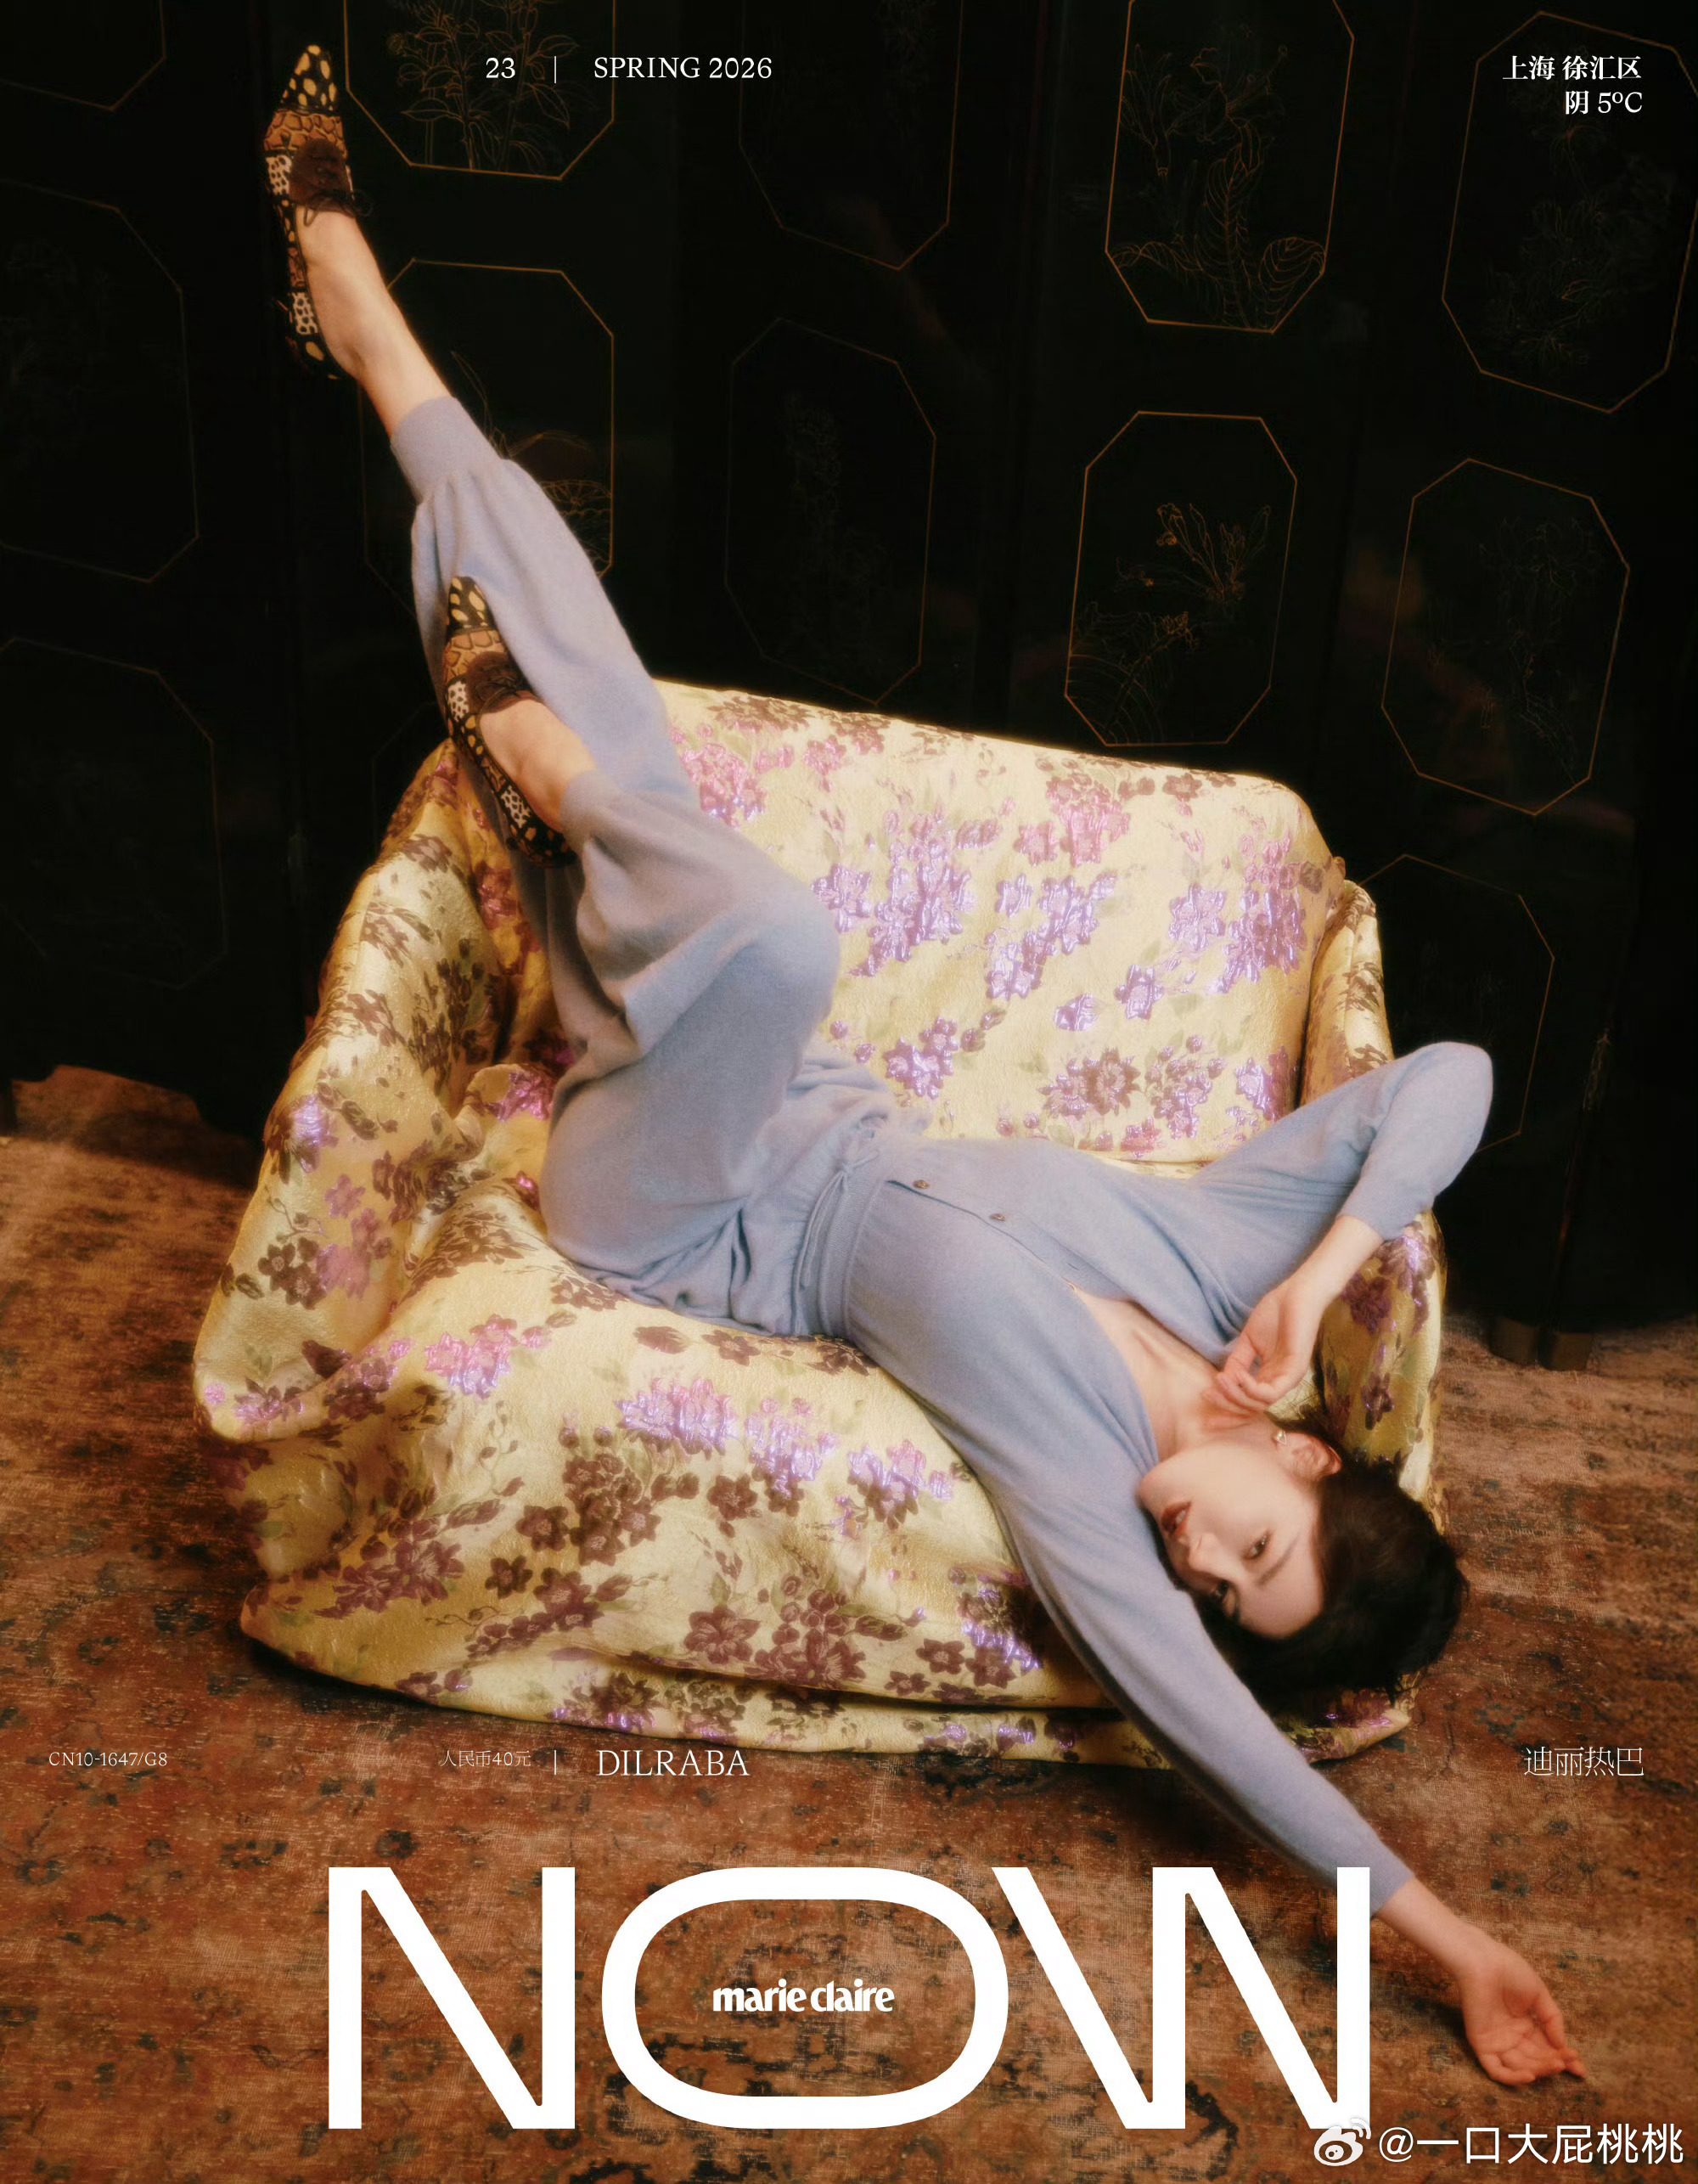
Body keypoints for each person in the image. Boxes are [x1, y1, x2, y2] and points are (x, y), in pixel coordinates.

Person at [265, 48, 1584, 2089]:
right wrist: (1328, 1266)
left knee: (764, 920)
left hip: (668, 1204)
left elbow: (1225, 1740)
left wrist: (1455, 1939)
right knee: (571, 613)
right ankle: (357, 307)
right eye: (1250, 1543)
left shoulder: (1079, 1488)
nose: (1196, 1558)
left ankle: (529, 764)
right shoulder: (1225, 1267)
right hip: (704, 1031)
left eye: (1220, 1592)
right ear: (1309, 1454)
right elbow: (1458, 1079)